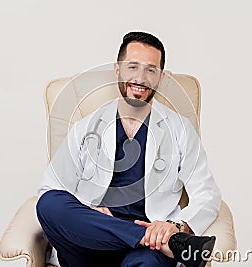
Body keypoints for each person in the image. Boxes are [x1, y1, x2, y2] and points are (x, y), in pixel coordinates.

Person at [36, 31, 221, 267]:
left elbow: (207, 194)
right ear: (118, 70)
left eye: (150, 70)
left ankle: (149, 240)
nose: (140, 78)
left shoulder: (180, 130)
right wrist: (90, 212)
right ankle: (161, 242)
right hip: (92, 244)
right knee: (49, 203)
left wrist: (176, 227)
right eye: (132, 67)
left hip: (144, 255)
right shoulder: (86, 128)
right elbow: (50, 188)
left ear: (160, 78)